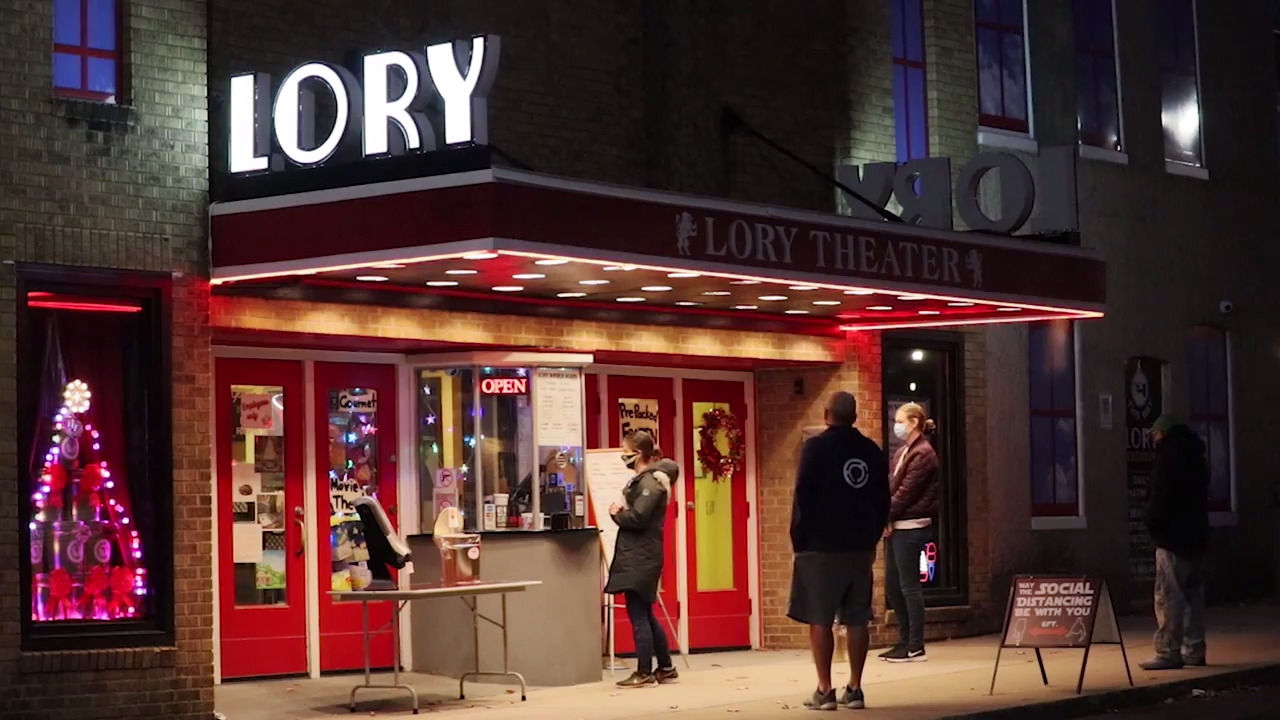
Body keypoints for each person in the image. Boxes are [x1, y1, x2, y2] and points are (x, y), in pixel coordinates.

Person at [788, 391, 890, 710]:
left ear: (826, 413)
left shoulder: (815, 448)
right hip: (859, 547)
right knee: (857, 617)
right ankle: (855, 688)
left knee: (820, 617)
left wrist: (800, 538)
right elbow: (883, 499)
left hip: (821, 546)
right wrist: (871, 536)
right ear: (855, 416)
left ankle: (825, 689)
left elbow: (804, 494)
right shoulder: (871, 451)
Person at [604, 429, 680, 688]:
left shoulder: (649, 483)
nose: (622, 455)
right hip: (643, 554)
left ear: (637, 453)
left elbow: (638, 518)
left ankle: (644, 670)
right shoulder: (647, 480)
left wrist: (616, 514)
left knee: (638, 614)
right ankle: (666, 667)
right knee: (645, 613)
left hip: (640, 556)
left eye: (625, 451)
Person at [1139, 414, 1210, 670]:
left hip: (1172, 537)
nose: (1153, 438)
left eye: (1155, 433)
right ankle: (1194, 648)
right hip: (1197, 536)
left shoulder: (1168, 459)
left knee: (1169, 595)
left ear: (1164, 433)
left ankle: (1168, 650)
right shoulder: (1198, 459)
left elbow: (1161, 498)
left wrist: (1150, 521)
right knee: (1193, 595)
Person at [879, 402, 939, 664]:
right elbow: (892, 486)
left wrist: (883, 515)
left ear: (914, 422)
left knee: (909, 587)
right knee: (893, 586)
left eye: (901, 421)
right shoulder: (903, 452)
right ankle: (904, 641)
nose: (897, 426)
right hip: (898, 526)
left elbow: (906, 493)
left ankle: (915, 645)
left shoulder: (923, 454)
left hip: (912, 527)